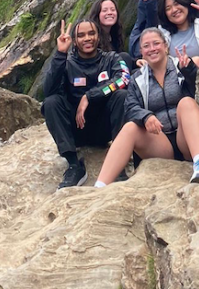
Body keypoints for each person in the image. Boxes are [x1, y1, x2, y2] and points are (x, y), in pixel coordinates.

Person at [94, 27, 199, 187]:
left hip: (189, 137)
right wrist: (146, 116)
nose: (152, 49)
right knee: (130, 127)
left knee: (186, 102)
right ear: (141, 52)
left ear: (165, 46)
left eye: (156, 43)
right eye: (146, 46)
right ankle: (100, 186)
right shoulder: (137, 79)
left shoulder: (182, 65)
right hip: (161, 143)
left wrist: (190, 72)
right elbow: (130, 107)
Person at [42, 17, 132, 188]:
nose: (87, 38)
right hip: (76, 131)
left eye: (91, 33)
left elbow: (124, 78)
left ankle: (117, 162)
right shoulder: (67, 63)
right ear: (75, 41)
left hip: (104, 128)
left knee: (122, 95)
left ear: (98, 36)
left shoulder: (112, 58)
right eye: (81, 35)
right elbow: (48, 91)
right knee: (51, 102)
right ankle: (74, 166)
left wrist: (90, 96)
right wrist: (60, 54)